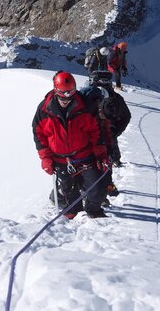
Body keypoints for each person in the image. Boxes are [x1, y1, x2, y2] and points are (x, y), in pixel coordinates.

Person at [32, 71, 110, 219]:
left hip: (85, 156)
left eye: (71, 93)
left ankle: (94, 213)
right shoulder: (44, 110)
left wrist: (101, 153)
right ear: (56, 91)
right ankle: (73, 216)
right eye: (63, 94)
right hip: (60, 160)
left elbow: (96, 131)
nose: (67, 98)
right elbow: (38, 134)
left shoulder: (85, 106)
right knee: (70, 193)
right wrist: (45, 158)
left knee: (97, 187)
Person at [80, 70, 131, 198]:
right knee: (105, 165)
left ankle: (94, 193)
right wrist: (115, 132)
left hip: (90, 140)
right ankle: (105, 190)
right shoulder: (115, 98)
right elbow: (126, 116)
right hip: (106, 138)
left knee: (90, 167)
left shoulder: (84, 97)